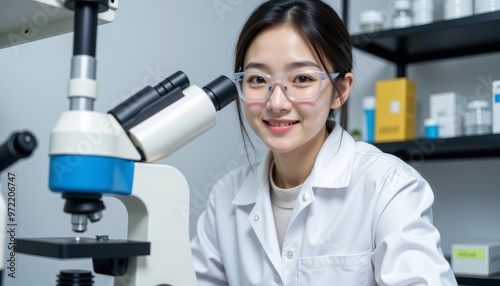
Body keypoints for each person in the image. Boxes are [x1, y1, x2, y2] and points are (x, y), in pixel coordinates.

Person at [191, 0, 458, 285]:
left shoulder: (388, 187)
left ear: (340, 91)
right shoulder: (225, 197)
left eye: (302, 78)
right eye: (257, 78)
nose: (276, 102)